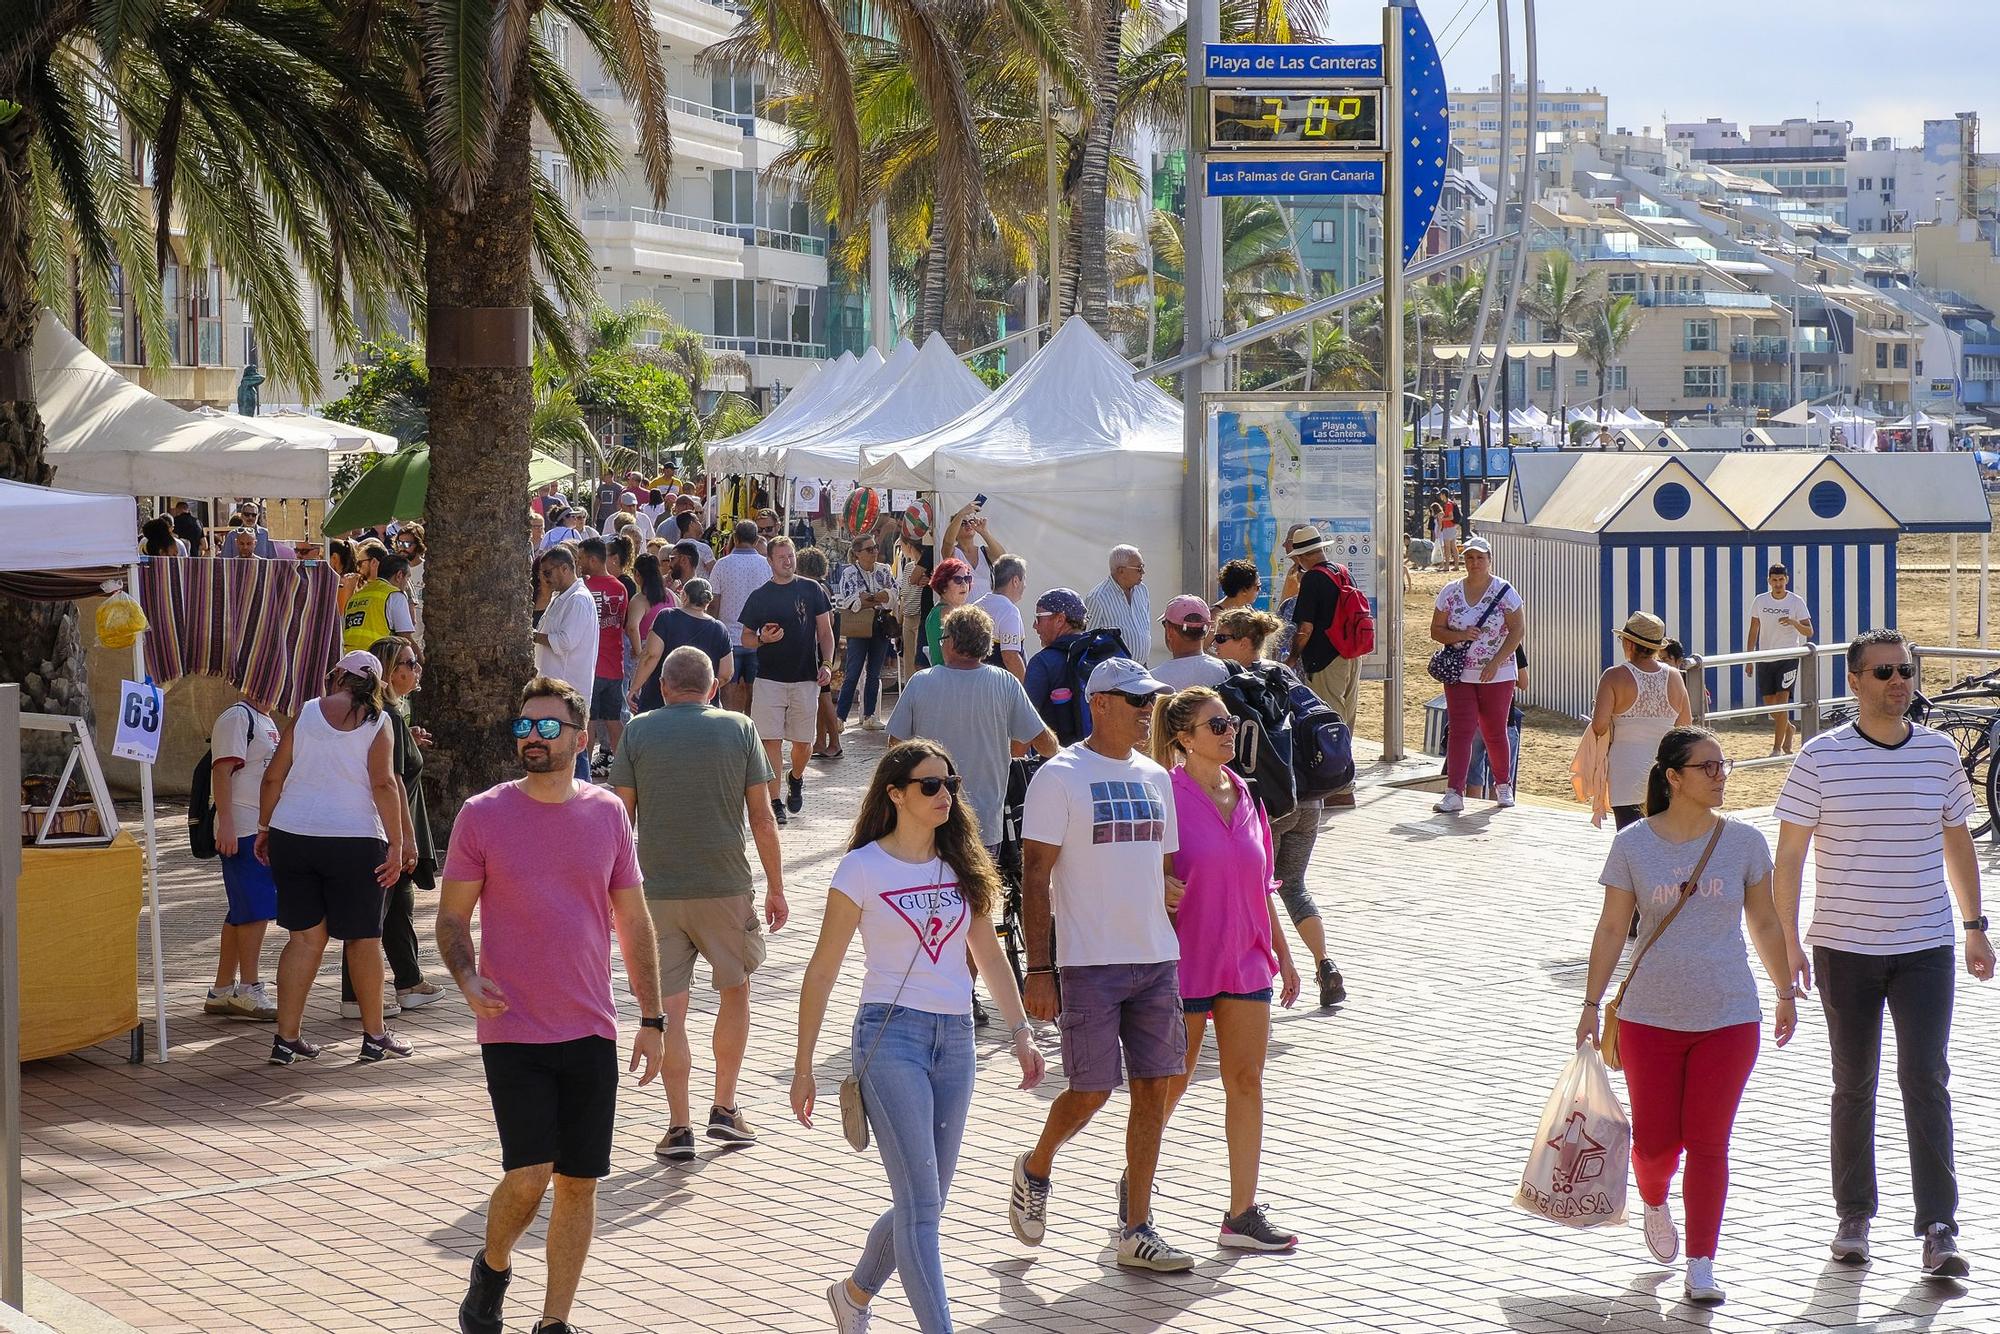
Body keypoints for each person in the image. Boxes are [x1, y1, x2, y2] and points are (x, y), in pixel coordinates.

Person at [793, 740, 1045, 1333]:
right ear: (896, 794)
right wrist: (804, 1064)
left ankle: (853, 1296)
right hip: (890, 1037)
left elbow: (986, 952)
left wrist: (1021, 1033)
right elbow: (822, 968)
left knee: (924, 1202)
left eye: (950, 784)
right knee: (923, 1206)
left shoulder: (963, 864)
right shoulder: (862, 868)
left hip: (956, 1040)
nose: (945, 795)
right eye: (930, 785)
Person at [442, 678, 664, 1334]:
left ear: (580, 738)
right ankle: (494, 1265)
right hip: (511, 1025)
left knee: (579, 1181)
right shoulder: (482, 814)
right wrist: (465, 977)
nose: (532, 738)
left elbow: (635, 920)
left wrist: (652, 1018)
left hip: (589, 1026)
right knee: (530, 1172)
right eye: (524, 727)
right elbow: (452, 919)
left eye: (546, 728)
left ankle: (554, 1321)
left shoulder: (607, 814)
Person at [1773, 628, 1993, 1279]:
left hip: (1925, 947)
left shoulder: (1937, 757)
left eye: (1906, 671)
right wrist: (1788, 943)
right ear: (1855, 682)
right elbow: (1789, 861)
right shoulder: (1819, 758)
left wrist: (1975, 925)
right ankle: (1854, 1216)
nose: (1900, 682)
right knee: (1854, 1085)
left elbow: (1958, 844)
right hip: (1844, 948)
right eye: (1885, 673)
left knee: (1926, 1080)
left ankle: (1939, 1228)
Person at [1576, 726, 1798, 1305]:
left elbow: (1766, 922)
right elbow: (1608, 929)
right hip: (1650, 1017)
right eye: (1708, 767)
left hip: (1729, 1015)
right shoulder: (1633, 845)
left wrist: (1783, 990)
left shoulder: (1746, 842)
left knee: (1708, 1141)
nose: (1721, 775)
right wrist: (1590, 1006)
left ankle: (1703, 1261)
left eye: (1724, 766)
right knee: (1654, 1146)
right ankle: (1653, 1198)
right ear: (1673, 778)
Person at [1010, 657, 1196, 1273]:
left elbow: (1162, 868)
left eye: (1151, 700)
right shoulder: (1058, 776)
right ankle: (1037, 1166)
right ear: (1100, 703)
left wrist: (1170, 903)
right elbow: (1034, 875)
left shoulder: (1157, 776)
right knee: (1091, 1090)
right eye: (1136, 699)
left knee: (1154, 1090)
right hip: (1089, 962)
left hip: (1155, 958)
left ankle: (1135, 1228)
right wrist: (1041, 970)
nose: (1149, 710)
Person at [612, 647, 786, 1159]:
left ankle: (679, 1125)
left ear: (663, 687)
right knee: (735, 992)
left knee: (669, 1011)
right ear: (713, 688)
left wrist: (611, 893)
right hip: (725, 887)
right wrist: (776, 886)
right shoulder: (739, 729)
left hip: (656, 894)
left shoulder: (638, 731)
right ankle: (726, 1109)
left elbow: (621, 821)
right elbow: (762, 817)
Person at [1150, 686, 1302, 1251]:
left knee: (1247, 1082)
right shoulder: (1165, 793)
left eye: (1231, 723)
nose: (1229, 732)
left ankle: (1241, 1214)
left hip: (1245, 962)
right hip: (1184, 961)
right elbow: (1150, 871)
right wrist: (1157, 884)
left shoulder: (1248, 794)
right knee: (1172, 1084)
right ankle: (1136, 1190)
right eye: (1216, 726)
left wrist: (1284, 956)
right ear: (1184, 738)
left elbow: (1263, 886)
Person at [255, 653, 410, 1065]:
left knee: (304, 938)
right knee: (363, 938)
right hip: (355, 839)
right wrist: (396, 843)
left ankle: (287, 1038)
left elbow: (274, 774)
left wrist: (265, 827)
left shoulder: (306, 712)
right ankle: (374, 1036)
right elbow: (383, 782)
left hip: (293, 834)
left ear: (338, 676)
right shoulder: (380, 721)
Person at [1212, 607, 1346, 1009]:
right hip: (1310, 801)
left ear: (1243, 642)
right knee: (1295, 886)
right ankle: (1325, 963)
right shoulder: (1285, 675)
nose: (1214, 645)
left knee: (1259, 889)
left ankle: (1267, 974)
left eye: (1221, 639)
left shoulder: (1234, 683)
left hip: (1272, 804)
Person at [336, 636, 445, 1020]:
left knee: (399, 904)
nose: (417, 670)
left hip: (387, 826)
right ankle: (356, 995)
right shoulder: (387, 717)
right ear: (390, 670)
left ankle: (409, 981)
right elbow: (391, 780)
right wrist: (406, 839)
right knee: (373, 912)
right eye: (410, 663)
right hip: (384, 829)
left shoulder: (393, 716)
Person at [740, 536, 833, 826]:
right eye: (781, 557)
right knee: (770, 741)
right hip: (769, 679)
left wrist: (828, 664)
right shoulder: (760, 596)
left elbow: (826, 632)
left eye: (790, 556)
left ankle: (796, 777)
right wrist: (761, 639)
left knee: (803, 743)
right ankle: (776, 800)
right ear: (770, 561)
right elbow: (745, 638)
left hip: (806, 677)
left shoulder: (812, 589)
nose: (787, 561)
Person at [1428, 536, 1526, 813]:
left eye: (1480, 557)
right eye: (1470, 557)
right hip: (1459, 671)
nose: (1474, 563)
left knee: (1495, 729)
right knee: (1461, 729)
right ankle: (1454, 791)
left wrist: (1496, 661)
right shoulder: (1450, 591)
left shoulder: (1505, 591)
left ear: (1489, 560)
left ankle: (1502, 786)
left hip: (1497, 673)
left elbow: (1517, 630)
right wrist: (1458, 635)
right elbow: (1436, 629)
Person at [203, 695, 283, 1021]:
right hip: (242, 826)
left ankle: (222, 989)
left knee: (242, 906)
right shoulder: (236, 717)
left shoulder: (266, 720)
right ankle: (249, 987)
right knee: (254, 908)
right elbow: (221, 772)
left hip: (259, 826)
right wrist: (227, 825)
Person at [1279, 524, 1360, 808]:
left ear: (1301, 556)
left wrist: (1292, 657)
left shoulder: (1313, 579)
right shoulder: (1340, 570)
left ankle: (1336, 784)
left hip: (1325, 659)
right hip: (1350, 654)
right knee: (1346, 717)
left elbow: (1306, 627)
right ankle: (1345, 781)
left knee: (1329, 719)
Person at [1592, 612, 1692, 829]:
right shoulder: (1675, 677)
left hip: (1626, 769)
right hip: (1665, 771)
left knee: (1630, 839)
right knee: (1667, 839)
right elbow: (1686, 729)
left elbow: (1599, 726)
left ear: (1629, 642)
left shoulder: (1613, 676)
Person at [532, 546, 600, 782]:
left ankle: (585, 801)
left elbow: (566, 641)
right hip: (555, 688)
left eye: (548, 573)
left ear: (565, 568)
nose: (545, 579)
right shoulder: (562, 596)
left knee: (573, 750)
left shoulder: (579, 600)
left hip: (570, 689)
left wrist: (530, 635)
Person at [631, 577, 732, 714]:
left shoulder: (666, 617)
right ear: (708, 601)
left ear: (684, 595)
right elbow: (726, 674)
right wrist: (703, 690)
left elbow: (651, 656)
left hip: (660, 700)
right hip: (702, 707)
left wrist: (635, 687)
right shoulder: (720, 629)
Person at [573, 538, 630, 772]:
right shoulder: (620, 587)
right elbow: (622, 623)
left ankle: (583, 774)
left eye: (581, 558)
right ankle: (626, 769)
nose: (579, 563)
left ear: (593, 559)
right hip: (615, 665)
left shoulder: (583, 588)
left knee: (589, 721)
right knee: (613, 719)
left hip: (592, 666)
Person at [1745, 563, 1813, 756]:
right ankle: (1789, 728)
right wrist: (1749, 658)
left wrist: (1793, 622)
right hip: (1765, 657)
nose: (1778, 583)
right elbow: (1753, 630)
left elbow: (1809, 631)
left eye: (1781, 580)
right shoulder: (1760, 600)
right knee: (1772, 707)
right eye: (1774, 580)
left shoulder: (1796, 601)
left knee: (1782, 703)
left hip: (1788, 657)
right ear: (1769, 581)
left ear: (1787, 580)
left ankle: (1777, 748)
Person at [834, 530, 898, 729]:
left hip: (880, 626)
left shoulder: (885, 569)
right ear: (857, 554)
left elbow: (894, 594)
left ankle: (870, 716)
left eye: (875, 548)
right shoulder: (849, 573)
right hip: (859, 627)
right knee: (852, 672)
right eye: (869, 549)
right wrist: (879, 597)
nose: (874, 552)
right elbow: (852, 601)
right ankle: (840, 717)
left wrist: (870, 598)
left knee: (874, 672)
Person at [711, 520, 773, 714]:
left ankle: (732, 726)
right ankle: (751, 728)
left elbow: (714, 603)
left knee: (728, 687)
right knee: (755, 691)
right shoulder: (767, 566)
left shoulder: (722, 565)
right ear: (756, 540)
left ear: (734, 538)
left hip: (728, 638)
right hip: (759, 639)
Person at [796, 547, 846, 760]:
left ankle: (834, 743)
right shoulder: (823, 586)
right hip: (825, 648)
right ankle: (821, 741)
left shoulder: (816, 588)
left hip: (820, 649)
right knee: (821, 695)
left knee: (824, 696)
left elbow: (828, 621)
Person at [1084, 545, 1152, 663]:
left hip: (1141, 668)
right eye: (1139, 568)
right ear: (1121, 571)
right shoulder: (1097, 598)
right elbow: (1087, 642)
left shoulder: (1142, 590)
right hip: (1114, 674)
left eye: (1143, 567)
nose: (1143, 572)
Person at [342, 549, 417, 653]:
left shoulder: (357, 595)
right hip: (376, 658)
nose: (406, 585)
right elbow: (405, 637)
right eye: (407, 578)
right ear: (399, 575)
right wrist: (422, 663)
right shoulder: (394, 595)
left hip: (349, 658)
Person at [1152, 595, 1228, 692]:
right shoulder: (1226, 672)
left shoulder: (1152, 682)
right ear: (1207, 630)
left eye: (1164, 624)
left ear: (1169, 630)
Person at [973, 554, 1030, 679]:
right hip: (1001, 688)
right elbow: (1010, 656)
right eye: (1024, 579)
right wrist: (1025, 690)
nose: (1025, 585)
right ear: (1015, 581)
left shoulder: (975, 606)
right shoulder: (1009, 611)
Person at [922, 558, 975, 670]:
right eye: (958, 579)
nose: (964, 584)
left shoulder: (937, 611)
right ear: (943, 584)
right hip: (952, 679)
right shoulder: (949, 612)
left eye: (967, 578)